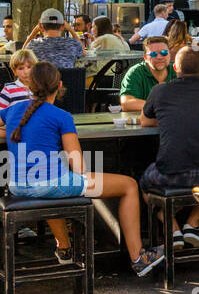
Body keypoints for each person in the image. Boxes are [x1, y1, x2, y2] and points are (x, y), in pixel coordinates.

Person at [2, 61, 164, 275]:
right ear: (59, 85)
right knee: (129, 185)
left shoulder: (12, 111)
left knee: (53, 188)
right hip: (49, 184)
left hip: (18, 185)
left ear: (29, 85)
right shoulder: (61, 116)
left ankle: (65, 248)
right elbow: (78, 165)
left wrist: (15, 133)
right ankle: (138, 256)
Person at [139, 46, 199, 250]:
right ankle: (193, 222)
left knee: (144, 183)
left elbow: (145, 121)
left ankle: (174, 231)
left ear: (175, 67)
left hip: (170, 173)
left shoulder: (160, 90)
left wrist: (167, 119)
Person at [120, 37, 176, 112]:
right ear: (145, 58)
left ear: (170, 54)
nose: (159, 57)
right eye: (153, 54)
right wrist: (160, 106)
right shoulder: (135, 72)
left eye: (164, 53)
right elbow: (126, 103)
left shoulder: (178, 71)